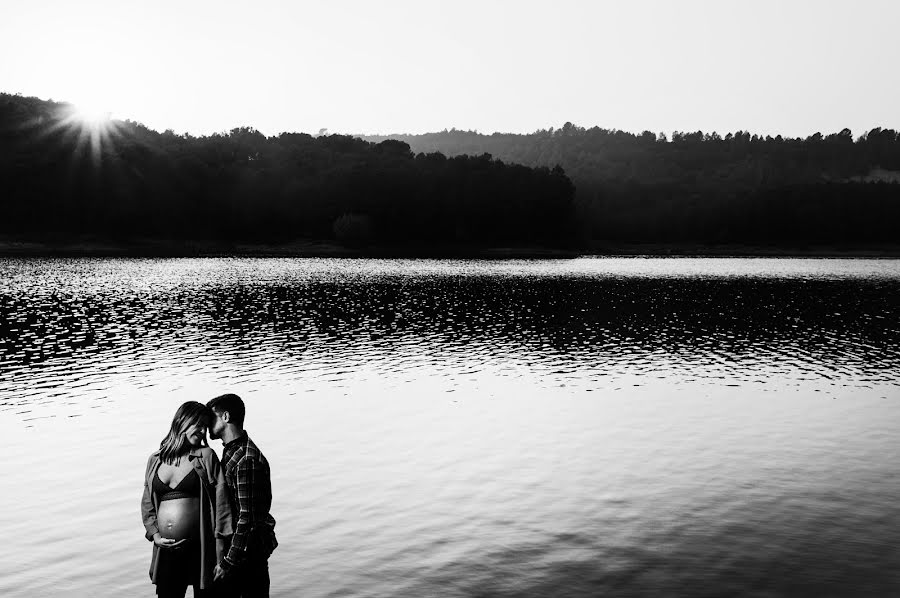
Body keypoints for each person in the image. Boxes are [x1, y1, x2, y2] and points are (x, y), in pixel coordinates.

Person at [141, 401, 234, 598]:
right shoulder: (155, 460)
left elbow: (222, 506)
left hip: (201, 549)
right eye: (198, 425)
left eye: (206, 427)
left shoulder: (206, 457)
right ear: (182, 422)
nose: (202, 432)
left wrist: (220, 554)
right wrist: (155, 535)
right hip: (167, 550)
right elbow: (147, 504)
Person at [207, 393, 278, 598]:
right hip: (241, 552)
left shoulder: (246, 459)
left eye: (212, 418)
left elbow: (247, 518)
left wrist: (228, 561)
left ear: (226, 417)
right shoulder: (232, 451)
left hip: (248, 554)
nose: (207, 424)